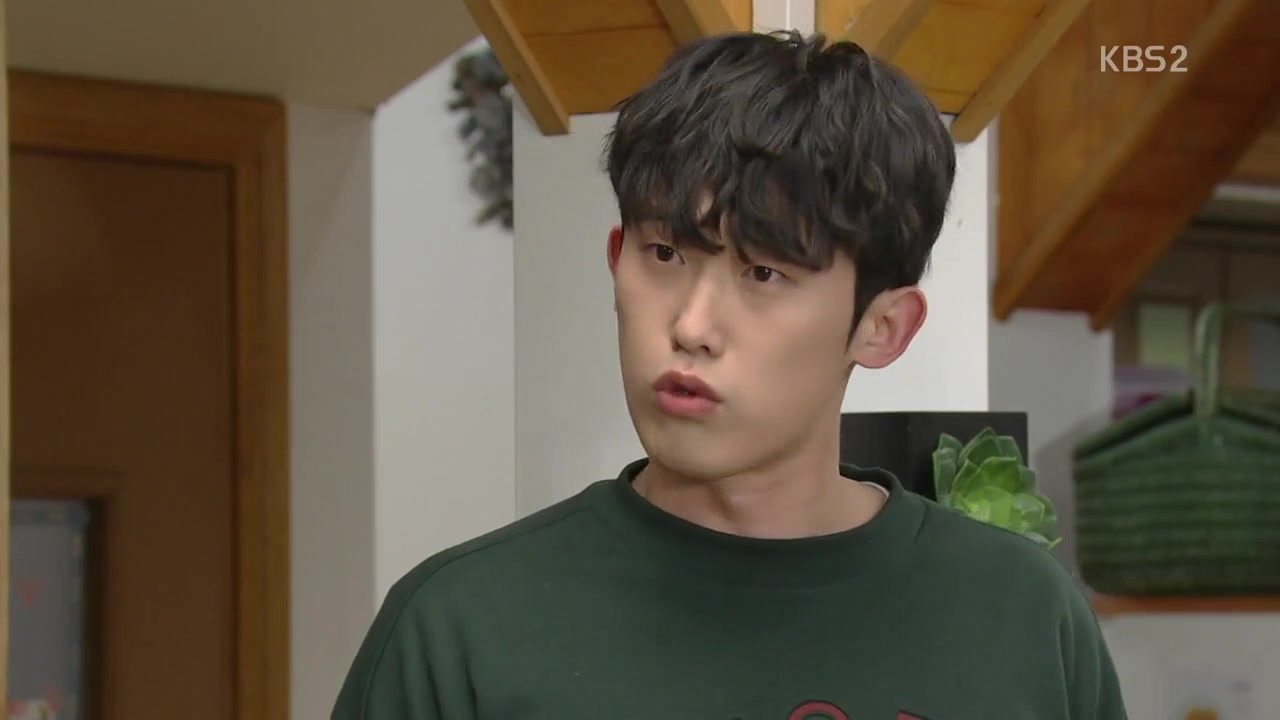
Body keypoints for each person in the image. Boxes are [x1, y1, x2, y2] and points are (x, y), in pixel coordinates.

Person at [332, 30, 1129, 720]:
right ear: (616, 262)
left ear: (883, 328)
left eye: (764, 273)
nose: (691, 326)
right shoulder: (461, 628)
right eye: (664, 254)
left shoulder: (1024, 618)